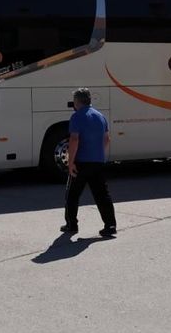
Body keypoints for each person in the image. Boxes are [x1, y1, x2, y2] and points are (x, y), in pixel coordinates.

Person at [62, 87, 117, 237]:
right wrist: (99, 155)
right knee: (102, 194)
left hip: (81, 162)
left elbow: (74, 140)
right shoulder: (100, 116)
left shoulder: (77, 117)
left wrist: (71, 162)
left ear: (77, 101)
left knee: (72, 194)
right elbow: (107, 139)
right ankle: (110, 225)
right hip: (97, 162)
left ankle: (71, 224)